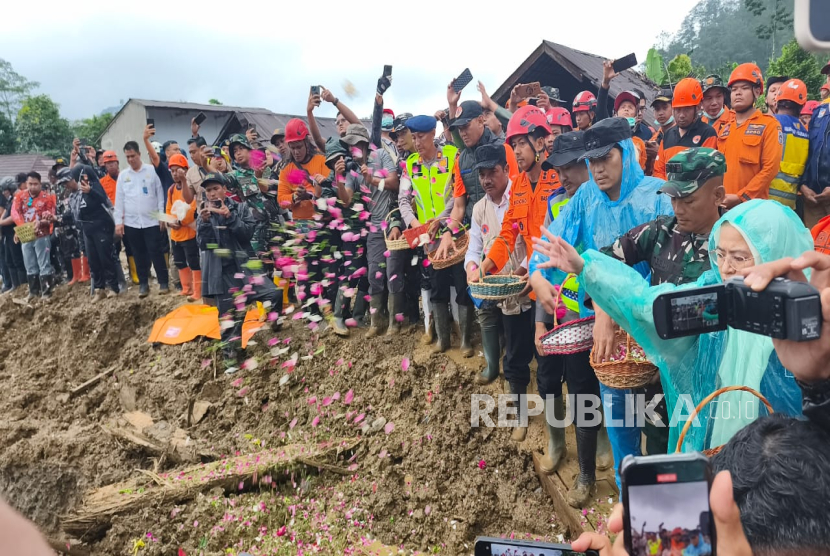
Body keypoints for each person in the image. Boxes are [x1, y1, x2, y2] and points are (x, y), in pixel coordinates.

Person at [534, 199, 809, 458]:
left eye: (739, 257)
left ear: (774, 254)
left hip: (783, 467)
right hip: (722, 443)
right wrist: (586, 267)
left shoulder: (806, 322)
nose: (725, 267)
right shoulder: (715, 302)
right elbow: (649, 308)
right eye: (720, 253)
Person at [528, 117, 674, 491]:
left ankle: (665, 499)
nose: (596, 169)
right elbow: (555, 243)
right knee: (619, 415)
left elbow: (666, 270)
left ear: (625, 153)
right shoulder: (586, 198)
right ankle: (629, 499)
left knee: (663, 420)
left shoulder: (657, 197)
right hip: (608, 341)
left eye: (605, 158)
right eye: (590, 161)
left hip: (657, 331)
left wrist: (612, 307)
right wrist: (538, 275)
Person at [598, 147, 726, 457]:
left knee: (707, 460)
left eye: (689, 200)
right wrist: (604, 312)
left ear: (717, 195)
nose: (678, 208)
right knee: (657, 451)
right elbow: (604, 261)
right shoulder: (662, 232)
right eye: (673, 198)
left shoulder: (732, 243)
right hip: (655, 380)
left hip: (711, 385)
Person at [473, 107, 566, 460]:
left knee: (568, 364)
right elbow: (511, 228)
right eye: (514, 146)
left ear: (541, 141)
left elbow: (558, 231)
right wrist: (488, 262)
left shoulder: (559, 179)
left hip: (561, 283)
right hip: (532, 282)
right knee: (534, 360)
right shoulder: (522, 185)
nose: (519, 152)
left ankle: (595, 438)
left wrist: (532, 265)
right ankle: (555, 440)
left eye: (522, 144)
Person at [537, 131, 610, 506]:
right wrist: (540, 319)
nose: (562, 175)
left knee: (619, 389)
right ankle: (584, 474)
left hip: (611, 307)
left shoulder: (609, 204)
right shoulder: (555, 206)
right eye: (557, 168)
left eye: (569, 166)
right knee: (579, 386)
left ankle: (606, 445)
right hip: (572, 315)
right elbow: (545, 264)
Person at [197, 172, 282, 367]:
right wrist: (204, 223)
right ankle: (231, 363)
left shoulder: (241, 208)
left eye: (216, 188)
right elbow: (204, 245)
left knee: (274, 293)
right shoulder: (203, 214)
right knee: (229, 323)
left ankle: (274, 324)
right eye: (208, 190)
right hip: (223, 274)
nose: (212, 193)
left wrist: (230, 217)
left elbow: (246, 234)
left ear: (225, 190)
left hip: (246, 269)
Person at [464, 143, 529, 390]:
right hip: (497, 285)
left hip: (526, 283)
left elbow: (533, 241)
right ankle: (497, 369)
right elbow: (473, 247)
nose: (486, 180)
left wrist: (521, 271)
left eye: (492, 172)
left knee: (525, 343)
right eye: (482, 175)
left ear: (506, 169)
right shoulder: (480, 209)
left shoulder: (520, 196)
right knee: (506, 338)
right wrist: (472, 268)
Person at [398, 115, 459, 347]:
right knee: (435, 283)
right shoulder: (409, 166)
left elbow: (457, 193)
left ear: (433, 134)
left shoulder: (451, 157)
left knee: (459, 282)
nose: (417, 142)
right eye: (413, 137)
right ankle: (442, 337)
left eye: (421, 136)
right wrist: (415, 225)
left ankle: (461, 333)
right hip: (427, 236)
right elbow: (403, 201)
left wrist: (442, 219)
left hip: (453, 229)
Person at [341, 123, 400, 337]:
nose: (351, 149)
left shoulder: (382, 155)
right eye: (348, 146)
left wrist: (372, 179)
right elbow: (346, 200)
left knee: (393, 272)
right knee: (375, 273)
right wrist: (340, 180)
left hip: (393, 220)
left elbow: (394, 182)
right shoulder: (352, 171)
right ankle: (378, 321)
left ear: (364, 145)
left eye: (355, 144)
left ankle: (395, 321)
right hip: (375, 227)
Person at [276, 118, 331, 314]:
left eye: (299, 146)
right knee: (307, 270)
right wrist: (294, 198)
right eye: (292, 147)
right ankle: (312, 313)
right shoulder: (286, 170)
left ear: (306, 142)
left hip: (324, 222)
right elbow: (280, 200)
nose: (296, 151)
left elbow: (330, 190)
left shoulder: (321, 161)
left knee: (326, 266)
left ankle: (330, 307)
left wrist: (311, 194)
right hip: (302, 224)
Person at [718, 63, 783, 208]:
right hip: (723, 207)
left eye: (744, 88)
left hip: (753, 208)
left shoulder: (769, 125)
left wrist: (741, 197)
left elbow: (770, 170)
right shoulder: (725, 129)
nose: (738, 93)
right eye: (734, 89)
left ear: (757, 92)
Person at [114, 141, 169, 298]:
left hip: (151, 221)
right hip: (132, 222)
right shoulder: (124, 176)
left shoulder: (152, 171)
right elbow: (119, 201)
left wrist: (161, 217)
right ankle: (143, 284)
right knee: (138, 254)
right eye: (128, 157)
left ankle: (163, 282)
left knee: (156, 251)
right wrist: (119, 222)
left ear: (139, 154)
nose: (131, 159)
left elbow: (160, 195)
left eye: (133, 156)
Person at [60, 166, 119, 300]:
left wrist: (91, 191)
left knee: (106, 259)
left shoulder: (94, 185)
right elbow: (75, 213)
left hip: (101, 227)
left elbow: (103, 200)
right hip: (87, 230)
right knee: (93, 261)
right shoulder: (77, 193)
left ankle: (113, 287)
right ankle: (99, 289)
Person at [652, 79, 718, 180]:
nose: (681, 115)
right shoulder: (668, 134)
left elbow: (703, 172)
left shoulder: (707, 134)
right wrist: (667, 190)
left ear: (698, 107)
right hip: (666, 193)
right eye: (678, 110)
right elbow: (658, 170)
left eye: (687, 109)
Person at [11, 171, 57, 300]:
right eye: (30, 184)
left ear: (40, 184)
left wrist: (41, 222)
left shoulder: (47, 198)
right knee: (29, 264)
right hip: (26, 235)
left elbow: (50, 217)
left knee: (44, 263)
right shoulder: (20, 196)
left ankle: (46, 292)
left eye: (35, 184)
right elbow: (15, 212)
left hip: (42, 234)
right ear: (26, 183)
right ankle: (33, 292)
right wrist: (19, 229)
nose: (32, 187)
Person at [769, 79, 809, 211]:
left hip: (764, 200)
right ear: (802, 105)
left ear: (777, 101)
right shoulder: (805, 132)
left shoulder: (769, 123)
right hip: (789, 205)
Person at [165, 154, 200, 301]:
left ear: (185, 170)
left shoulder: (189, 186)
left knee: (194, 262)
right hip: (176, 235)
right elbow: (168, 209)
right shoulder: (171, 190)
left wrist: (180, 222)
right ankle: (186, 288)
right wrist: (170, 222)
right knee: (179, 261)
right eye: (172, 171)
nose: (174, 173)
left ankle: (197, 290)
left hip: (189, 233)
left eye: (177, 170)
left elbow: (192, 208)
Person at [802, 89, 830, 227]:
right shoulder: (819, 112)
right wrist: (803, 185)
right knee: (813, 245)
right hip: (813, 199)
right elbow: (808, 151)